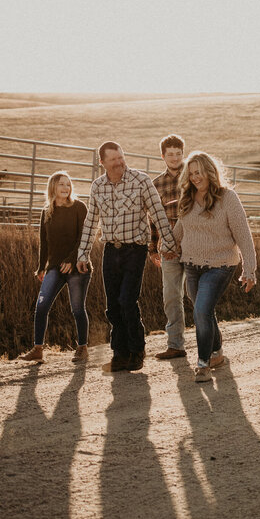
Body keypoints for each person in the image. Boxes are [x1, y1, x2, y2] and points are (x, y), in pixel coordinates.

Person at [77, 141, 177, 373]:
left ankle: (137, 350)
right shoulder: (98, 187)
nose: (119, 162)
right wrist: (82, 253)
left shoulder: (140, 180)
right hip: (110, 250)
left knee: (127, 301)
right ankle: (119, 354)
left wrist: (168, 243)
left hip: (135, 249)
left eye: (121, 157)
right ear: (102, 162)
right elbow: (91, 223)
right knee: (112, 306)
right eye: (113, 159)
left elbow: (158, 213)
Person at [170, 151, 258, 382]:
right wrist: (165, 244)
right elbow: (181, 228)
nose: (195, 178)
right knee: (203, 310)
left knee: (200, 311)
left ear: (209, 172)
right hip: (191, 264)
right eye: (191, 174)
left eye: (198, 172)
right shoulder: (188, 199)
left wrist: (249, 270)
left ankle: (203, 363)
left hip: (220, 265)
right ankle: (217, 352)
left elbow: (244, 237)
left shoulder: (227, 198)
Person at [19, 171, 91, 363]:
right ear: (53, 187)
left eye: (68, 184)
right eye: (61, 184)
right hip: (55, 267)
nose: (66, 188)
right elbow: (44, 242)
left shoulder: (79, 207)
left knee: (77, 309)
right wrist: (41, 267)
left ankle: (82, 348)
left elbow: (84, 237)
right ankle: (38, 349)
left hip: (77, 266)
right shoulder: (47, 211)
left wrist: (71, 259)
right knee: (41, 307)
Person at [151, 134, 189, 361]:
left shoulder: (193, 176)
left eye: (178, 154)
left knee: (198, 296)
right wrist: (152, 248)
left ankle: (214, 342)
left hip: (195, 244)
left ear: (183, 154)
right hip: (168, 247)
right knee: (171, 296)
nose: (174, 158)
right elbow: (153, 217)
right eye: (170, 154)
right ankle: (175, 344)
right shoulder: (157, 184)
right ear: (163, 156)